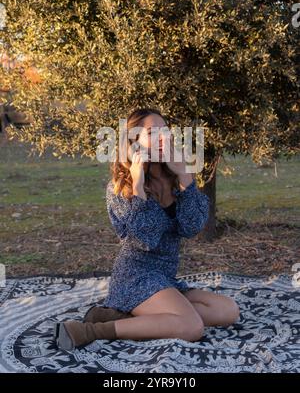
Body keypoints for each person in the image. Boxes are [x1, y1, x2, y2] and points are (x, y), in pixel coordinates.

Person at [54, 108, 239, 351]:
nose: (163, 138)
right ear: (133, 143)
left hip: (165, 278)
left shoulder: (175, 178)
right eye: (151, 133)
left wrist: (185, 176)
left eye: (165, 131)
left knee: (227, 310)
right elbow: (145, 240)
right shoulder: (120, 187)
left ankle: (125, 317)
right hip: (135, 276)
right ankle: (89, 330)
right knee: (191, 327)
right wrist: (139, 187)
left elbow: (191, 228)